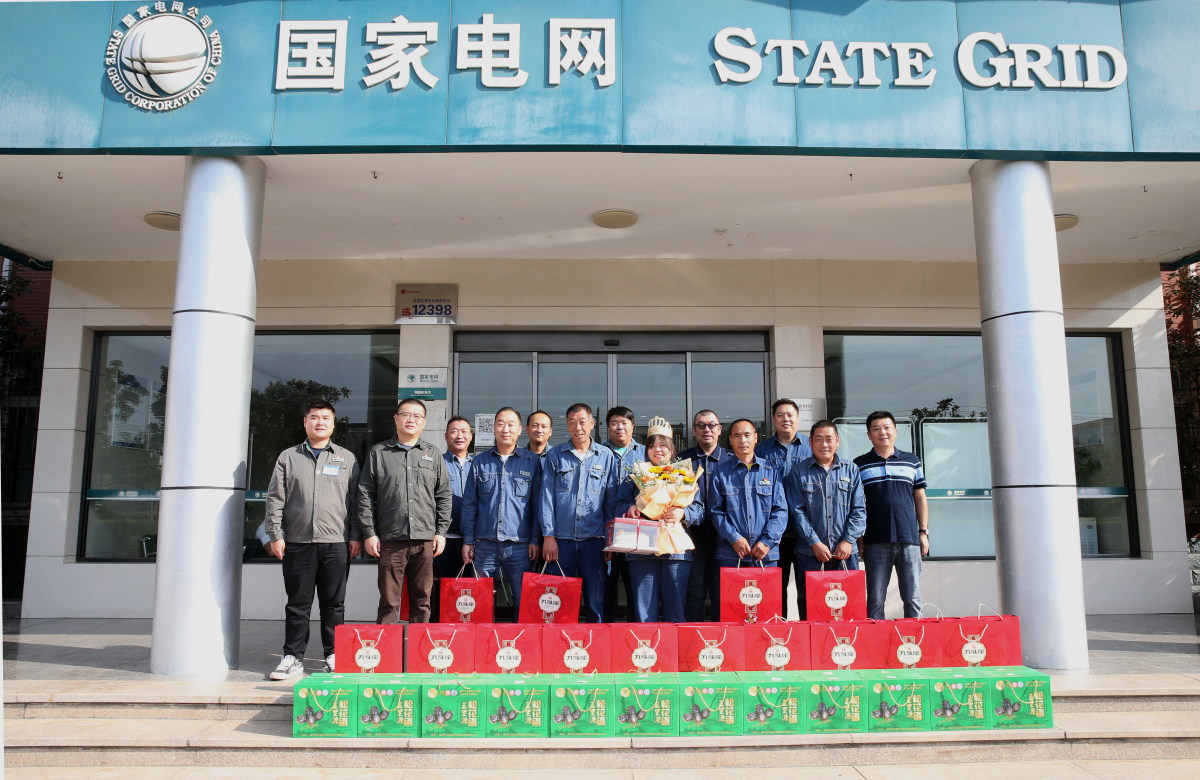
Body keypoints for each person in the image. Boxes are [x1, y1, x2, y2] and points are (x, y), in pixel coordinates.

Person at [264, 400, 361, 679]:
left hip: (336, 542)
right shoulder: (288, 457)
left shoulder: (347, 458)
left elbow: (356, 501)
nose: (320, 422)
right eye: (315, 417)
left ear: (333, 423)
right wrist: (276, 534)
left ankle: (333, 654)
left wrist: (356, 536)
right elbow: (275, 499)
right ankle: (292, 657)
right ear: (305, 422)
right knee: (298, 604)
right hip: (297, 542)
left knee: (334, 603)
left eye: (326, 418)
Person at [357, 397, 452, 624]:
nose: (411, 419)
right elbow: (365, 494)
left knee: (422, 600)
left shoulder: (433, 453)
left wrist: (440, 532)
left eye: (417, 416)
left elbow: (443, 495)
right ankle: (388, 645)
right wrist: (369, 533)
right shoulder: (379, 453)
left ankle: (418, 646)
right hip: (391, 538)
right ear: (396, 419)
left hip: (424, 539)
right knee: (389, 601)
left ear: (424, 422)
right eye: (405, 414)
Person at [539, 403, 623, 623]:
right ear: (567, 425)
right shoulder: (555, 455)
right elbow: (546, 498)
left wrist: (610, 540)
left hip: (594, 540)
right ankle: (560, 643)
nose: (578, 427)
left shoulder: (606, 456)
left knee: (596, 601)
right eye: (572, 422)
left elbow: (610, 502)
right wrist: (548, 536)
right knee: (559, 601)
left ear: (592, 423)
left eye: (582, 422)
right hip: (561, 541)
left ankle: (594, 643)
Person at [613, 417, 702, 622]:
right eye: (652, 446)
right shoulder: (635, 475)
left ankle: (674, 645)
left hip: (676, 551)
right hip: (642, 549)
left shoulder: (685, 475)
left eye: (663, 445)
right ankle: (646, 644)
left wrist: (683, 513)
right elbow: (617, 505)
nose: (658, 450)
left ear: (672, 448)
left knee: (676, 610)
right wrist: (629, 507)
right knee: (644, 612)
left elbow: (699, 509)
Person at [461, 407, 541, 616]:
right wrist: (468, 540)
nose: (506, 429)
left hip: (520, 546)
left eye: (511, 424)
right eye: (501, 424)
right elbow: (470, 504)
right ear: (494, 428)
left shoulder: (532, 462)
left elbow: (537, 506)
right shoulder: (479, 462)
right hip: (484, 545)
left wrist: (535, 540)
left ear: (520, 430)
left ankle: (521, 638)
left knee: (524, 603)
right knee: (480, 603)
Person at [854, 411, 929, 619]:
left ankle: (914, 638)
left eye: (887, 428)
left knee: (912, 597)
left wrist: (923, 532)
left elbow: (920, 498)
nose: (883, 432)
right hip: (875, 540)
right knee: (876, 599)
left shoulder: (911, 461)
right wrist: (859, 537)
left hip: (909, 539)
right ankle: (875, 638)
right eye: (876, 429)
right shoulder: (859, 464)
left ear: (895, 431)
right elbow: (856, 504)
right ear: (869, 435)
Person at [788, 420, 867, 619]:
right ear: (811, 442)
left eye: (829, 439)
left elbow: (859, 509)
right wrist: (814, 542)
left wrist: (848, 540)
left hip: (845, 553)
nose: (824, 444)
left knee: (847, 606)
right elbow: (796, 511)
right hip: (810, 553)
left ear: (837, 441)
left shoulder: (851, 470)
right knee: (810, 605)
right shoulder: (798, 471)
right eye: (818, 439)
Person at [755, 398, 814, 616]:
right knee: (775, 590)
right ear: (774, 419)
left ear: (798, 418)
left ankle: (807, 632)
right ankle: (778, 632)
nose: (785, 419)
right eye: (780, 415)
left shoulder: (811, 446)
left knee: (807, 589)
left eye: (790, 415)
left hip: (806, 532)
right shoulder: (761, 450)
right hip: (773, 534)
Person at [710, 418, 788, 569]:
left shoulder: (771, 470)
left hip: (765, 553)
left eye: (747, 435)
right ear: (730, 440)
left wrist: (767, 541)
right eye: (737, 435)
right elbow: (716, 511)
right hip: (731, 553)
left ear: (755, 437)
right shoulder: (720, 473)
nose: (743, 440)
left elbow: (780, 510)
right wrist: (734, 538)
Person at [678, 409, 731, 621]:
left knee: (722, 594)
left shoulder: (731, 459)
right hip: (693, 539)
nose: (706, 430)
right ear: (694, 430)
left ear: (719, 429)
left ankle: (721, 639)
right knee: (694, 593)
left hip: (726, 539)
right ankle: (693, 637)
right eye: (701, 425)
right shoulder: (683, 461)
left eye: (711, 425)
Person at [603, 405, 643, 621]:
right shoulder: (598, 453)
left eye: (624, 423)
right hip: (605, 532)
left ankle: (634, 635)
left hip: (636, 534)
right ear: (608, 427)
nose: (619, 427)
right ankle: (604, 635)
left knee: (635, 590)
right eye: (614, 423)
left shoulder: (645, 453)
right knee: (605, 589)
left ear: (632, 426)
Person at [431, 416, 473, 621]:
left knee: (468, 595)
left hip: (472, 541)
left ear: (471, 436)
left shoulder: (479, 464)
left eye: (464, 431)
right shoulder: (436, 463)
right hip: (443, 540)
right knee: (441, 592)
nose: (459, 436)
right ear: (446, 436)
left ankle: (464, 634)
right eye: (454, 431)